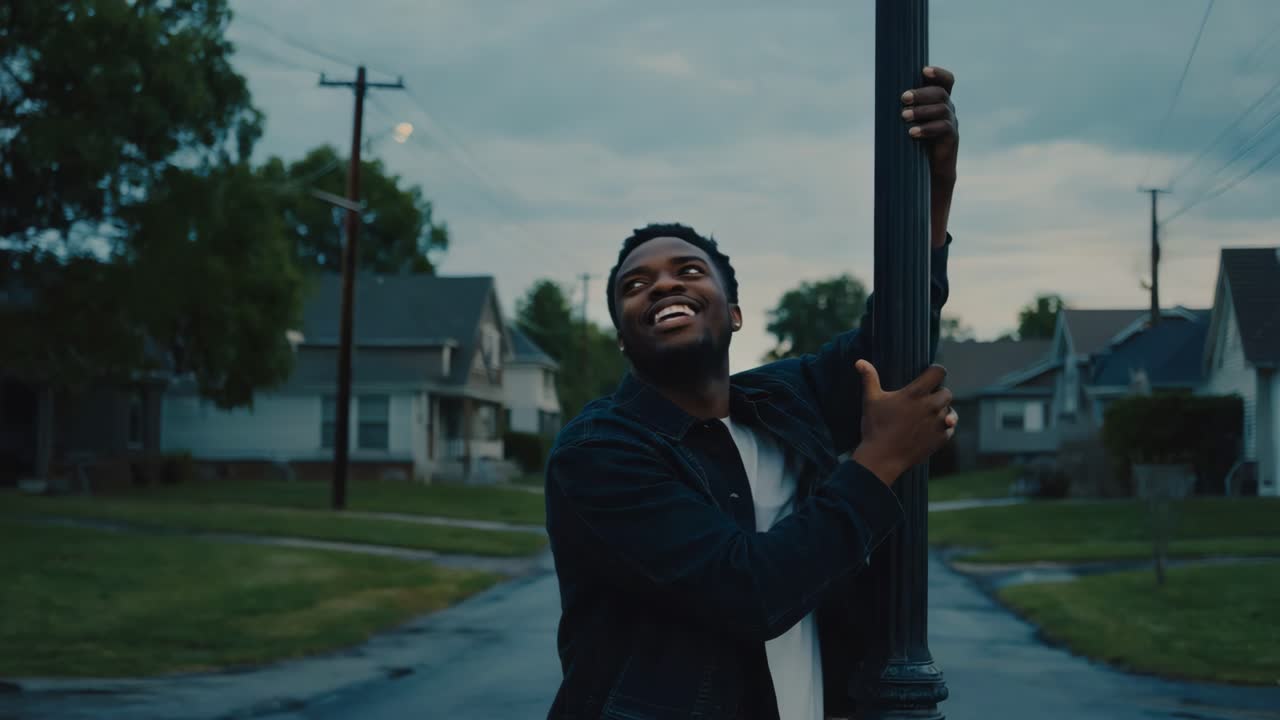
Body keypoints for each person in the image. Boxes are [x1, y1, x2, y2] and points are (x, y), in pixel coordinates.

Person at [545, 66, 960, 720]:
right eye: (635, 285)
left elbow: (896, 339)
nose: (661, 285)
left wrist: (932, 191)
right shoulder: (598, 453)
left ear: (733, 313)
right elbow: (747, 592)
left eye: (688, 271)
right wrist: (879, 461)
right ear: (624, 339)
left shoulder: (785, 401)